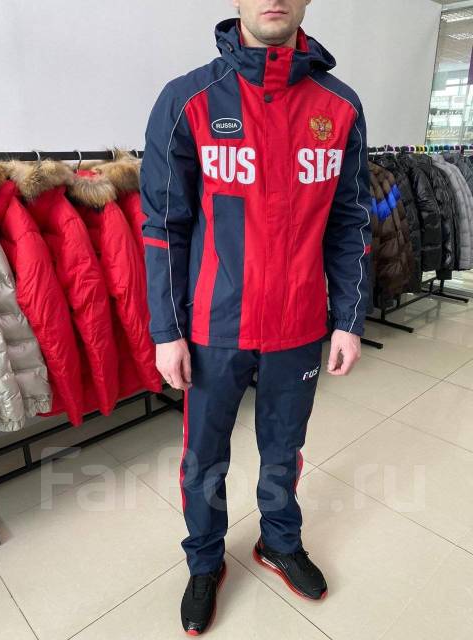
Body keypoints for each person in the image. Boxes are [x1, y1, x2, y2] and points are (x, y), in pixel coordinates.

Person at [140, 0, 372, 634]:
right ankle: (204, 561)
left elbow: (351, 222)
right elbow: (163, 226)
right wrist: (166, 330)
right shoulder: (188, 100)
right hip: (213, 326)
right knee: (203, 457)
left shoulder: (340, 106)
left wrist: (349, 318)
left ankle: (279, 540)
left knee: (284, 448)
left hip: (300, 323)